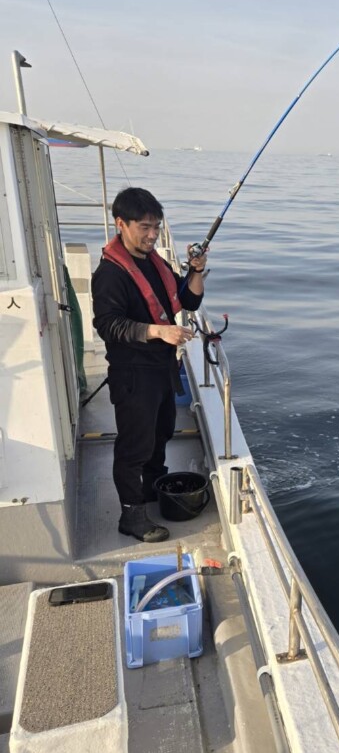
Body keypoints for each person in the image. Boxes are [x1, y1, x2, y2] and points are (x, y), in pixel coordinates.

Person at [92, 187, 207, 542]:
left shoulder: (154, 263)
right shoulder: (110, 274)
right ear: (121, 224)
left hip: (161, 370)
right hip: (133, 374)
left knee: (162, 435)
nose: (153, 235)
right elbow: (107, 325)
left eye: (156, 227)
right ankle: (132, 516)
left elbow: (188, 298)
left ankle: (151, 488)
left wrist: (198, 270)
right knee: (134, 447)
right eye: (144, 227)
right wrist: (160, 331)